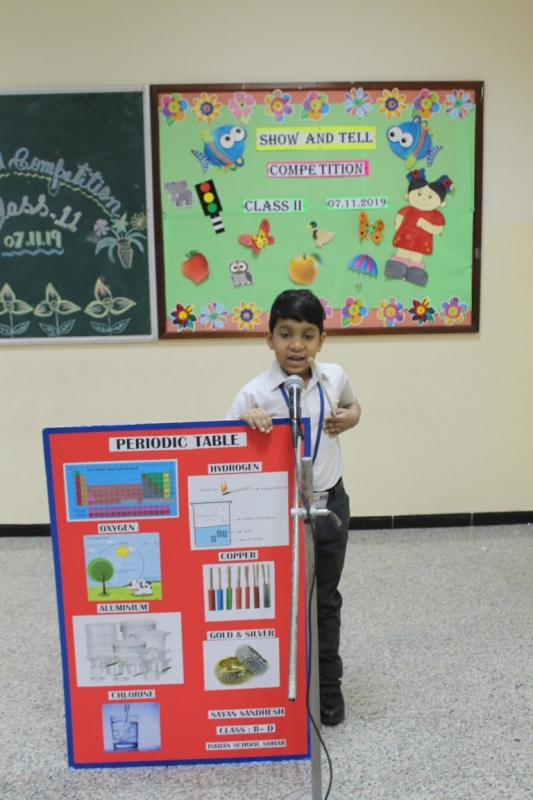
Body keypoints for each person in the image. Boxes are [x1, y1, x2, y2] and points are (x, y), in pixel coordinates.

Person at [226, 289, 361, 725]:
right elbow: (222, 449)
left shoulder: (334, 377)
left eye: (307, 335)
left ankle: (328, 688)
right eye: (285, 334)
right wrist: (247, 422)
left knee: (325, 600)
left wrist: (351, 418)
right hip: (277, 515)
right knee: (278, 600)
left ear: (322, 340)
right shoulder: (254, 393)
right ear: (269, 339)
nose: (296, 345)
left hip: (329, 507)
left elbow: (354, 405)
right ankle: (276, 683)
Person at [384, 168, 453, 286]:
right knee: (402, 253)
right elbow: (398, 218)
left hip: (421, 241)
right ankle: (396, 270)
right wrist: (399, 230)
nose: (424, 199)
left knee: (417, 256)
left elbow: (438, 230)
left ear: (442, 203)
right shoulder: (408, 209)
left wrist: (425, 225)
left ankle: (414, 274)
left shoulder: (436, 215)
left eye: (430, 197)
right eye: (419, 194)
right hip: (404, 237)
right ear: (407, 195)